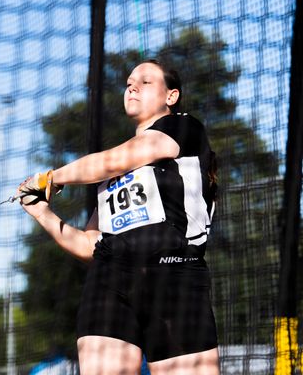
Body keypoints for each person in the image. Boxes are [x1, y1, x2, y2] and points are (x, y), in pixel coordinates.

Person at [18, 59, 220, 375]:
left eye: (145, 81)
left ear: (171, 96)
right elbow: (89, 244)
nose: (132, 86)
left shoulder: (184, 127)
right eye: (128, 83)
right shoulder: (112, 174)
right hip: (109, 280)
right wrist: (42, 213)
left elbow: (118, 158)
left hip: (173, 277)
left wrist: (52, 178)